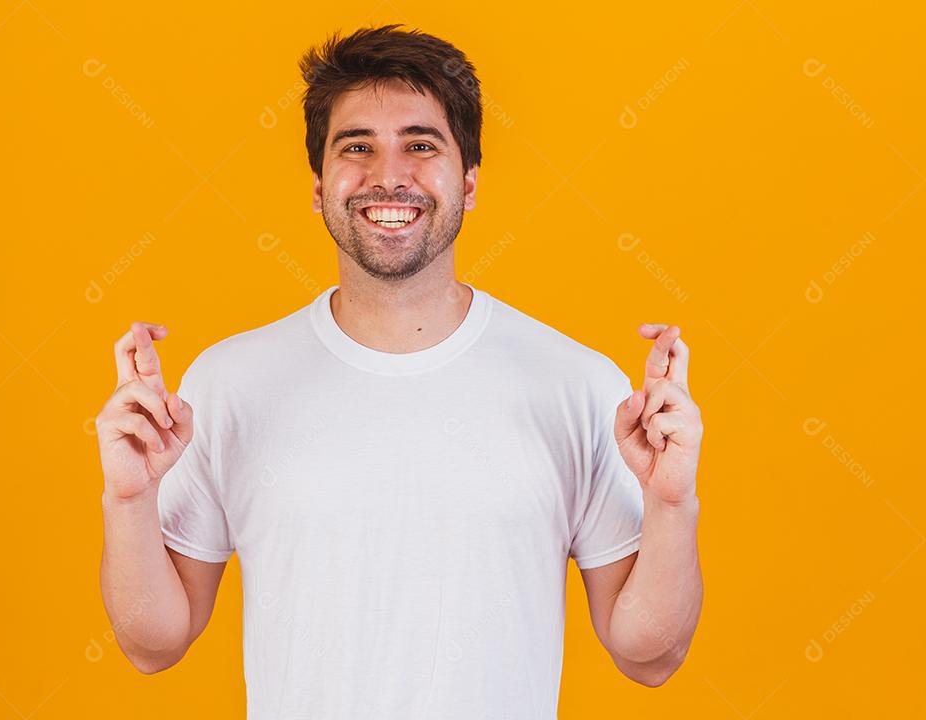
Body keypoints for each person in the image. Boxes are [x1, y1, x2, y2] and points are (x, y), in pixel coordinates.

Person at [97, 24, 703, 718]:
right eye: (358, 146)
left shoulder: (577, 386)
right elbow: (153, 644)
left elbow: (649, 656)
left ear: (468, 184)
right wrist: (128, 500)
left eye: (421, 145)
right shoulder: (229, 384)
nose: (388, 175)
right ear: (318, 187)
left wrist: (671, 504)